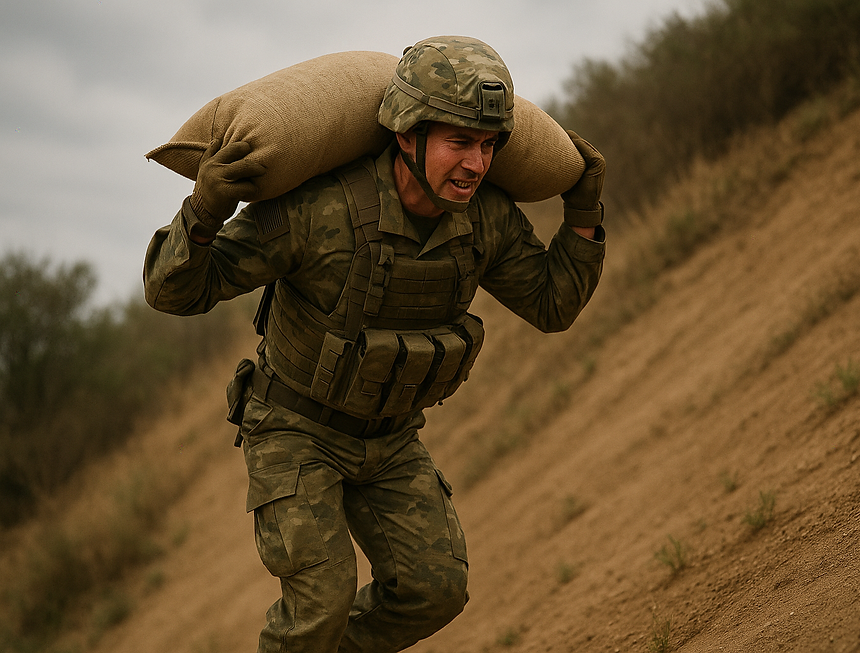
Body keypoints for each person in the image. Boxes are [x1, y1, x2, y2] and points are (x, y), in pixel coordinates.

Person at [143, 35, 605, 653]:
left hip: (390, 441)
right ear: (408, 135)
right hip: (295, 433)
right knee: (320, 604)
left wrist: (583, 214)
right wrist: (203, 211)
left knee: (434, 590)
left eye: (489, 145)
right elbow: (174, 292)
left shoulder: (485, 221)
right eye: (459, 142)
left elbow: (552, 304)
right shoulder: (319, 212)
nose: (476, 164)